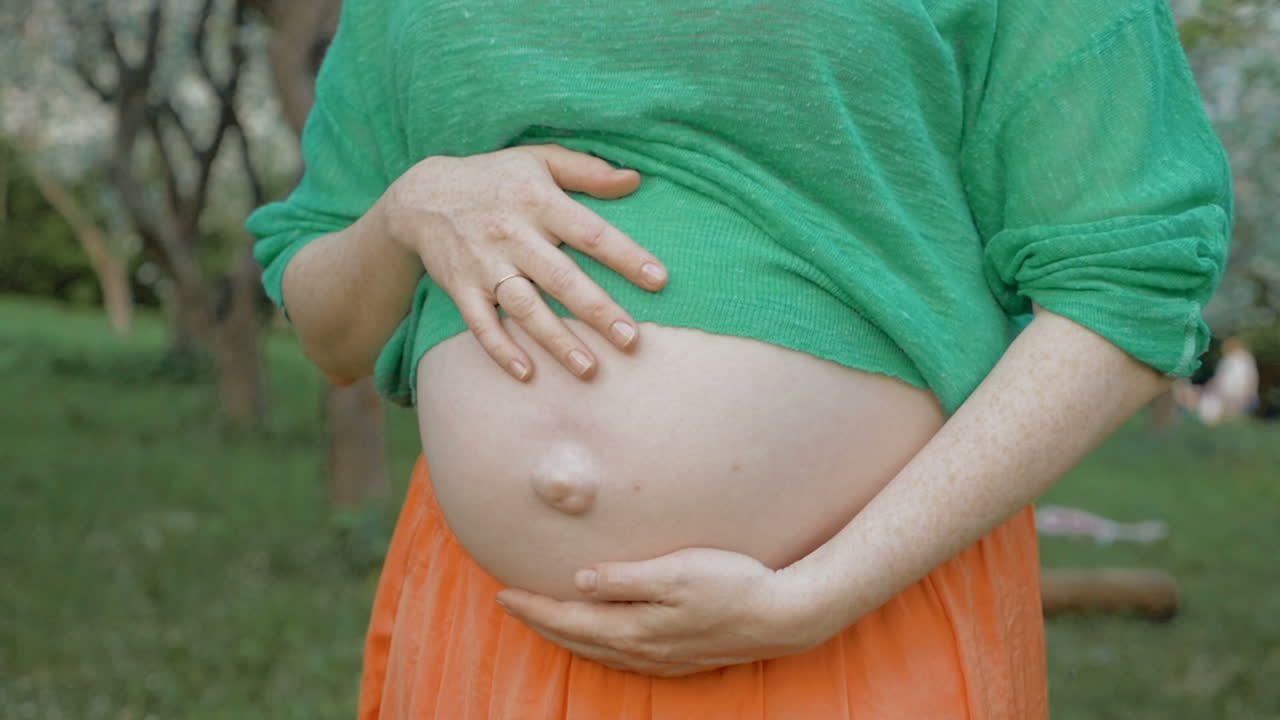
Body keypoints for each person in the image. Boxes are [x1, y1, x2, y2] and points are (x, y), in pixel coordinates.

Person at [248, 1, 1232, 717]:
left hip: (850, 622)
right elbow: (333, 335)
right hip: (501, 633)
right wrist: (406, 210)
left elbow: (1126, 288)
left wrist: (819, 595)